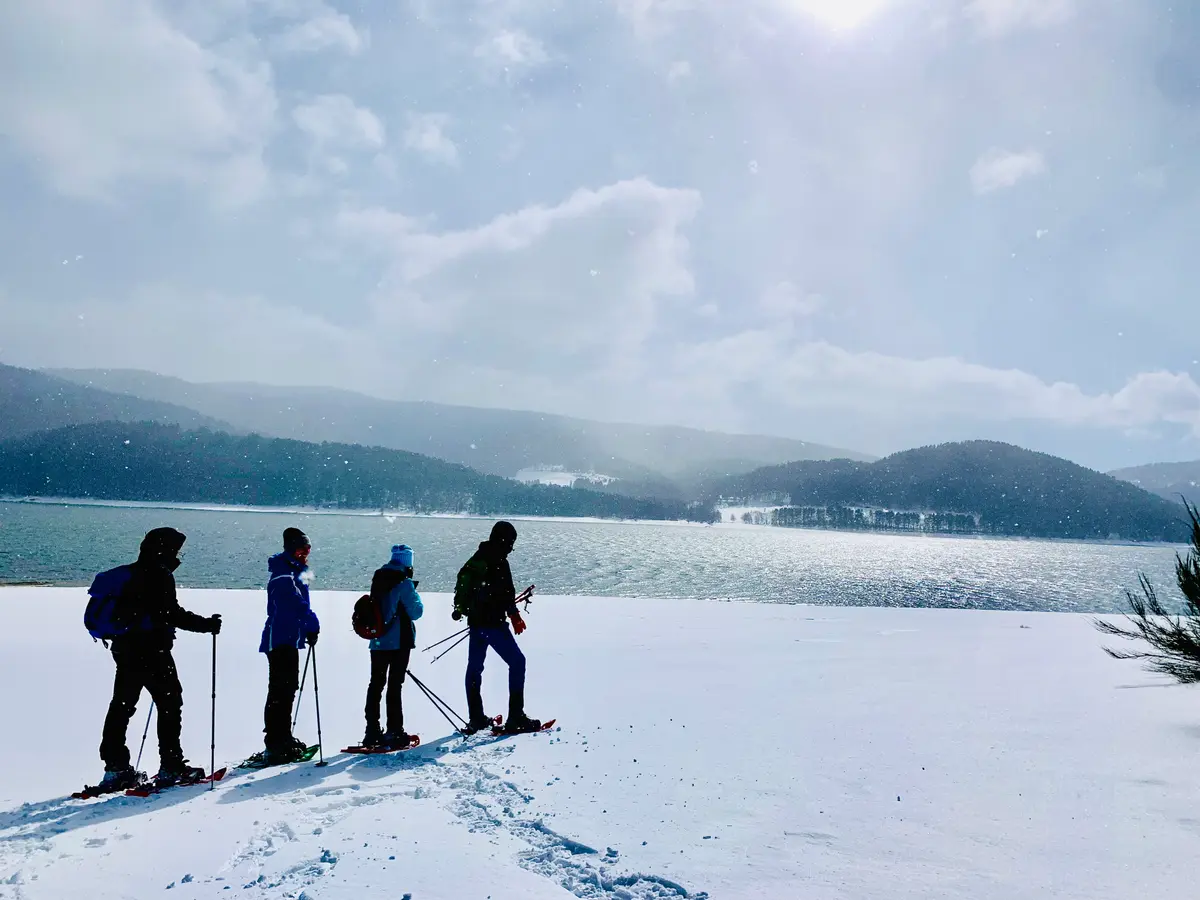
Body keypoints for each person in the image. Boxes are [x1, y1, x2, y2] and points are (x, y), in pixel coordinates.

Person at [98, 527, 222, 788]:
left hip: (124, 650)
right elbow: (170, 613)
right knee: (169, 704)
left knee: (121, 706)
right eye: (176, 549)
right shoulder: (158, 574)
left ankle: (115, 768)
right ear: (165, 549)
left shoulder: (131, 573)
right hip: (152, 651)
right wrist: (206, 625)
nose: (179, 555)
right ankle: (171, 766)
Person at [454, 521, 541, 734]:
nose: (511, 548)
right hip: (493, 624)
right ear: (505, 541)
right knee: (518, 662)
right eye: (511, 543)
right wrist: (515, 616)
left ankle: (476, 719)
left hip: (475, 624)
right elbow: (505, 593)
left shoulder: (478, 557)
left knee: (474, 669)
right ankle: (516, 718)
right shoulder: (498, 560)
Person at [259, 527, 320, 763]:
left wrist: (306, 628)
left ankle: (282, 737)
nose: (306, 552)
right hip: (280, 639)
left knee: (286, 689)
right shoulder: (284, 575)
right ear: (292, 549)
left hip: (289, 639)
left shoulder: (295, 571)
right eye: (302, 548)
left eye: (308, 548)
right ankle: (275, 742)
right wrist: (311, 623)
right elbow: (294, 604)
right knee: (280, 691)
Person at [362, 544, 424, 748]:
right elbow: (416, 612)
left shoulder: (378, 578)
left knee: (375, 685)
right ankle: (394, 731)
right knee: (394, 686)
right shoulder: (404, 582)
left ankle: (371, 731)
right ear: (408, 563)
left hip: (377, 640)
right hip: (399, 642)